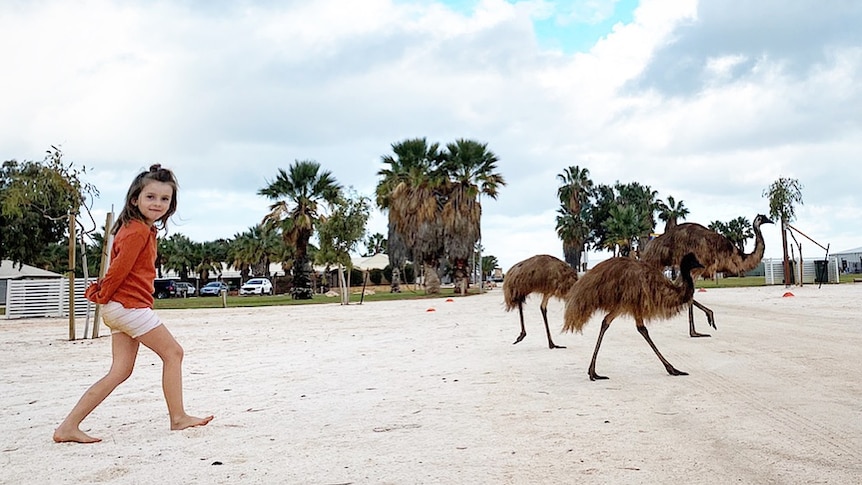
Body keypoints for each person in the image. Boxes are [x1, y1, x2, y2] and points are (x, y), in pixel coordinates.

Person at [53, 165, 213, 444]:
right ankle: (178, 417)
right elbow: (119, 269)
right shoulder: (137, 231)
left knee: (120, 371)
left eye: (165, 199)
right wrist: (102, 293)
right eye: (151, 197)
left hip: (120, 308)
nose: (158, 204)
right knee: (173, 353)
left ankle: (68, 426)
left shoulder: (135, 228)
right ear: (134, 199)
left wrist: (105, 297)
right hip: (129, 306)